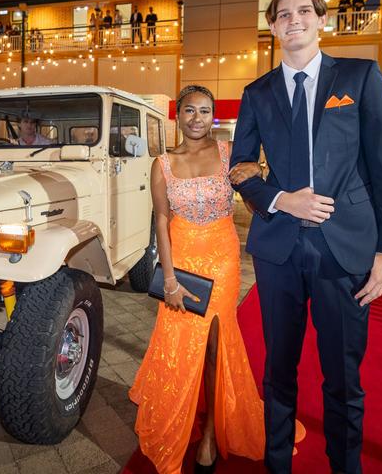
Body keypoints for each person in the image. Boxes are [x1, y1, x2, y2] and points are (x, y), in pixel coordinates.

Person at [229, 0, 382, 473]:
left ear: (320, 20)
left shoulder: (359, 76)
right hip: (278, 249)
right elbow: (240, 167)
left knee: (343, 378)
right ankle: (277, 463)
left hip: (345, 249)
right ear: (272, 26)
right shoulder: (257, 93)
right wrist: (282, 199)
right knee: (278, 372)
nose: (294, 20)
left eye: (303, 11)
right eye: (283, 14)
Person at [130, 85, 278, 474]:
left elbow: (253, 199)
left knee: (215, 344)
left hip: (222, 256)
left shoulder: (230, 154)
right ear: (177, 115)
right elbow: (161, 220)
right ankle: (182, 413)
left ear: (213, 116)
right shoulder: (162, 163)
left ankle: (211, 432)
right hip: (182, 259)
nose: (197, 118)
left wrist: (259, 175)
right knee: (181, 341)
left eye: (205, 111)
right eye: (190, 111)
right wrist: (170, 280)